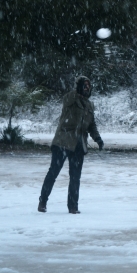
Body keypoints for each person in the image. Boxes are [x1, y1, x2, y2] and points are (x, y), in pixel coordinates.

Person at [39, 75, 104, 214]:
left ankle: (73, 206)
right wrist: (77, 88)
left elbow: (92, 125)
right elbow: (67, 98)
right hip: (63, 142)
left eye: (88, 86)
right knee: (53, 173)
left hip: (79, 145)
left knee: (75, 177)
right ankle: (43, 201)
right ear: (79, 86)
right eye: (84, 85)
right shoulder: (70, 99)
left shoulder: (90, 105)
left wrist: (98, 139)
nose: (87, 88)